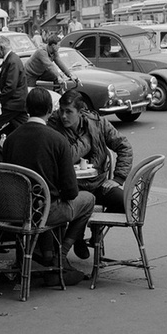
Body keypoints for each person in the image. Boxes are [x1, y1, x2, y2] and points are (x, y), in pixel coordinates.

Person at [2, 88, 95, 286]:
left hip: (13, 210)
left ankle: (47, 253)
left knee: (51, 199)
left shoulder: (10, 140)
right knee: (88, 200)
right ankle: (61, 254)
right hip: (44, 212)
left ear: (27, 109)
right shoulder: (56, 140)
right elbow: (71, 191)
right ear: (49, 110)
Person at [47, 89, 133, 259]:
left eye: (69, 112)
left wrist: (118, 178)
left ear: (81, 112)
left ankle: (95, 229)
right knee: (79, 204)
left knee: (125, 202)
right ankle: (76, 236)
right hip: (71, 187)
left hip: (97, 183)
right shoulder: (53, 127)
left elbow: (124, 146)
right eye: (61, 110)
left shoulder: (98, 123)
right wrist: (86, 142)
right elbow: (65, 157)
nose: (63, 116)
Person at [0, 35, 29, 136]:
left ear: (2, 48)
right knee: (24, 127)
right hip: (18, 103)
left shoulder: (12, 61)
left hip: (13, 104)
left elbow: (10, 87)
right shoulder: (12, 59)